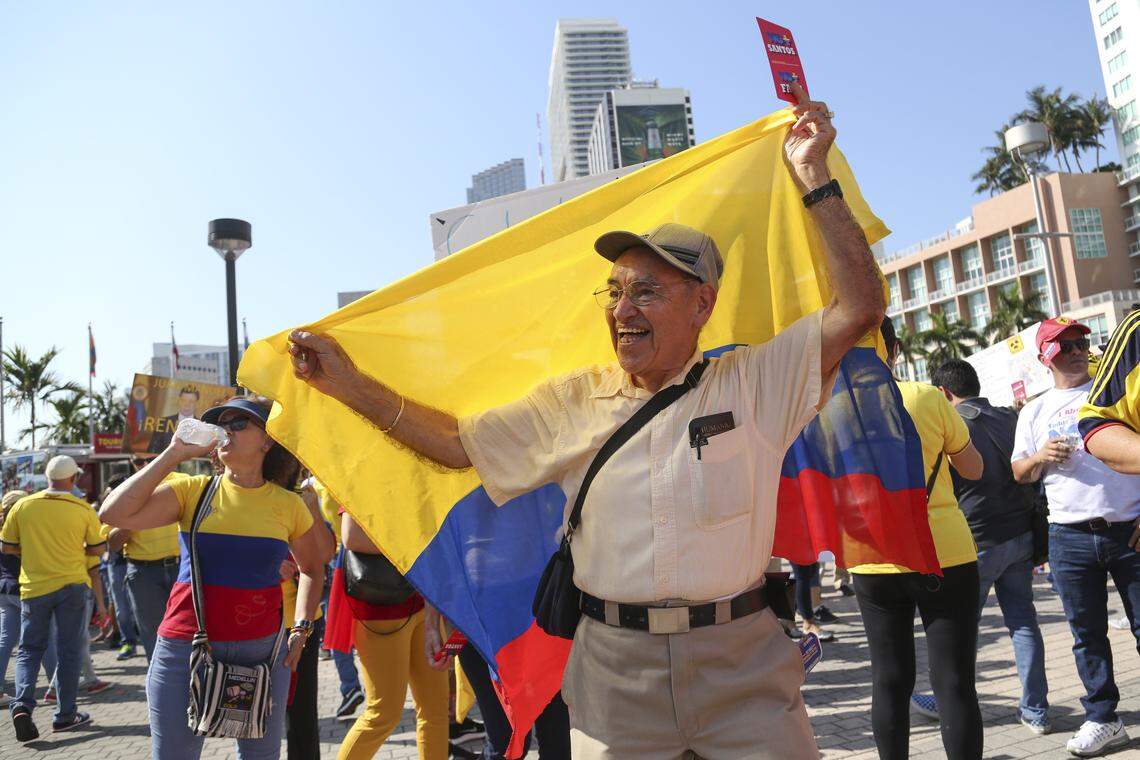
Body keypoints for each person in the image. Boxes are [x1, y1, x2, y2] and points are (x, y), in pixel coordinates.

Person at [288, 83, 884, 759]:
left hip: (743, 666)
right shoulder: (571, 399)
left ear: (703, 303)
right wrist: (348, 384)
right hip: (612, 674)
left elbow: (859, 306)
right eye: (616, 291)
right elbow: (456, 445)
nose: (623, 309)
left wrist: (815, 177)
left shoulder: (753, 382)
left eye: (649, 291)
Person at [100, 395, 327, 760]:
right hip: (185, 647)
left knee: (260, 756)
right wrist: (173, 454)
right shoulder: (194, 492)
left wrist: (301, 628)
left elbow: (313, 569)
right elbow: (114, 513)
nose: (226, 431)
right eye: (222, 425)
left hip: (261, 652)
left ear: (267, 441)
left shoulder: (288, 505)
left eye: (239, 423)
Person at [849, 320, 985, 760]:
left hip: (871, 556)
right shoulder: (927, 397)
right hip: (943, 552)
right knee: (953, 681)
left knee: (888, 679)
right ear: (894, 349)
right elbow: (973, 469)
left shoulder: (831, 411)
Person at [1011, 317, 1140, 757]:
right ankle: (1103, 718)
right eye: (1064, 344)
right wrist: (1040, 457)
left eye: (1081, 341)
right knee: (1087, 634)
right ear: (1045, 355)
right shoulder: (1034, 411)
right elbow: (1017, 473)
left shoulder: (1115, 388)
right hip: (1068, 536)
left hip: (1130, 527)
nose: (1076, 349)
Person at [930, 359, 1049, 734]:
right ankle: (1036, 710)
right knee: (1023, 623)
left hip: (976, 541)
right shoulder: (1007, 417)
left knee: (961, 630)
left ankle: (950, 701)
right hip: (1020, 534)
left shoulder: (952, 425)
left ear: (944, 393)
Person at [0, 456, 108, 742]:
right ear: (73, 479)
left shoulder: (23, 505)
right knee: (68, 650)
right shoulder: (81, 508)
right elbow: (97, 550)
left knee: (28, 649)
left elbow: (7, 546)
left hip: (34, 587)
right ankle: (65, 715)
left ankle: (22, 704)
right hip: (72, 585)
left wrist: (36, 550)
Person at [332, 511, 449, 760]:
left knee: (436, 709)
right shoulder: (362, 473)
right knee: (383, 713)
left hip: (424, 603)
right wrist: (412, 542)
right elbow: (352, 537)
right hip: (380, 609)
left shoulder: (419, 472)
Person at [107, 466, 188, 663]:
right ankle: (160, 687)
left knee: (187, 630)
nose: (144, 462)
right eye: (138, 459)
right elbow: (113, 543)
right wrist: (135, 514)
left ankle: (187, 684)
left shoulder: (185, 480)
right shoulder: (126, 488)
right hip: (143, 573)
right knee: (153, 635)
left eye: (149, 457)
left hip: (182, 569)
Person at [283, 486, 336, 759]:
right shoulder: (244, 490)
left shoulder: (301, 495)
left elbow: (325, 553)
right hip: (255, 624)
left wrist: (312, 506)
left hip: (301, 625)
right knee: (254, 716)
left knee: (302, 716)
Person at [1080, 307, 1140, 474]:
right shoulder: (1137, 330)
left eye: (1081, 343)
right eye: (1066, 347)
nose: (1076, 351)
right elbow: (1097, 423)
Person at [0, 489, 28, 707]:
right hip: (23, 588)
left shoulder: (3, 526)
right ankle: (58, 692)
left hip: (4, 589)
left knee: (6, 639)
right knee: (40, 642)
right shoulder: (21, 526)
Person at [147, 386, 201, 453]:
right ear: (179, 401)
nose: (187, 404)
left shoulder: (202, 426)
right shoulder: (163, 423)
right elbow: (152, 450)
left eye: (191, 401)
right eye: (183, 400)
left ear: (197, 404)